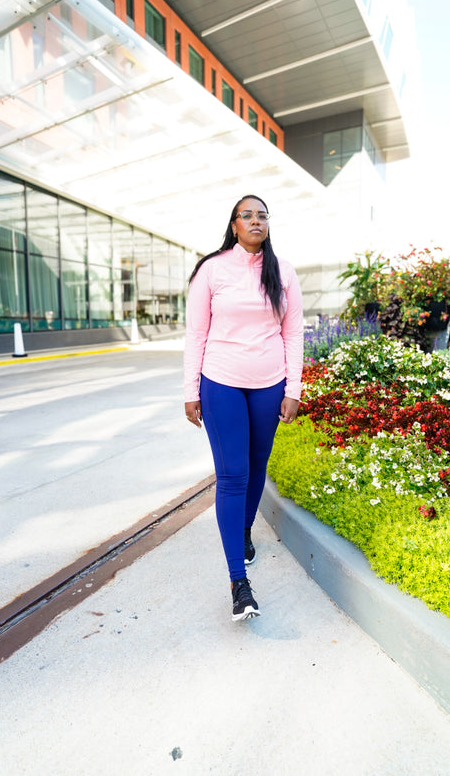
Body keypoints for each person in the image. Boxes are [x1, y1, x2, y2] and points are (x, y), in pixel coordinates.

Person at [184, 195, 303, 621]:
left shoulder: (282, 272)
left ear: (268, 225)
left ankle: (245, 529)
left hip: (269, 386)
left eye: (262, 216)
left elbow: (293, 334)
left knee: (257, 465)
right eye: (247, 215)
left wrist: (294, 389)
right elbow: (196, 333)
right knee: (233, 475)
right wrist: (190, 390)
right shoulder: (212, 269)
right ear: (234, 225)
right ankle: (239, 583)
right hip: (221, 383)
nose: (256, 221)